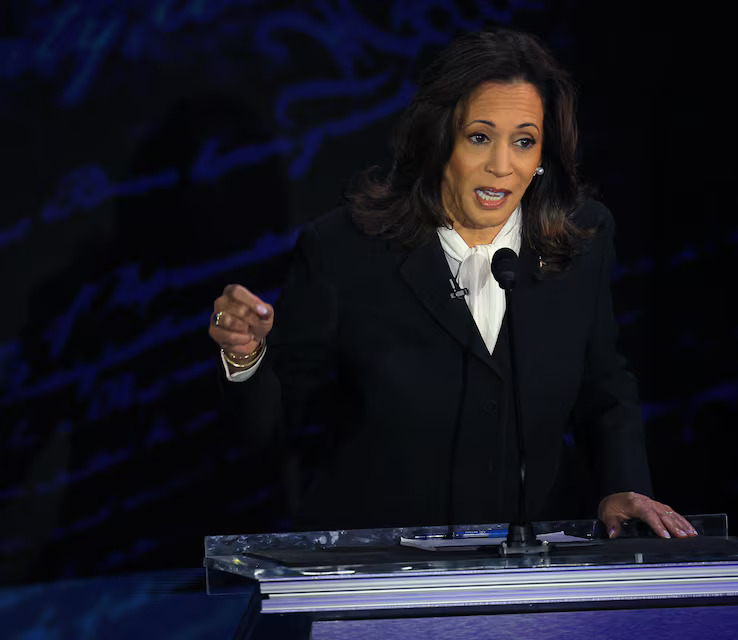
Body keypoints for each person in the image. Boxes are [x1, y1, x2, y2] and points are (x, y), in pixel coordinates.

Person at [208, 29, 696, 540]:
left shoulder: (583, 237)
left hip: (534, 570)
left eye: (524, 141)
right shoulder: (343, 249)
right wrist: (244, 358)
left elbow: (604, 385)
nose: (502, 167)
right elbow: (270, 429)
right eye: (479, 137)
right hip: (377, 571)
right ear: (438, 139)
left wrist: (621, 486)